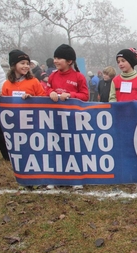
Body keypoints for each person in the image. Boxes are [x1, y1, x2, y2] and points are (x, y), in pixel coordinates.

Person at [45, 44, 89, 190]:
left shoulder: (79, 77)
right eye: (55, 57)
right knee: (55, 148)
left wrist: (71, 95)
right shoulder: (52, 76)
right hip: (55, 120)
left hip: (73, 120)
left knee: (73, 148)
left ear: (69, 61)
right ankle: (55, 177)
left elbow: (85, 96)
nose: (56, 61)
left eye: (59, 58)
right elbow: (46, 89)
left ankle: (76, 178)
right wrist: (50, 91)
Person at [109, 48, 137, 191]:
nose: (120, 64)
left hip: (136, 120)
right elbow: (112, 98)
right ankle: (123, 175)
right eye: (118, 62)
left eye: (123, 61)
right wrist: (116, 107)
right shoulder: (115, 80)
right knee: (121, 148)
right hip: (120, 121)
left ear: (131, 62)